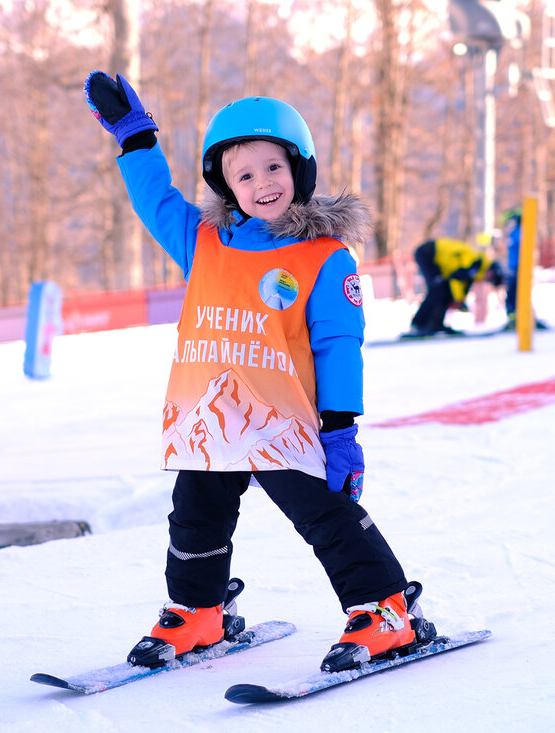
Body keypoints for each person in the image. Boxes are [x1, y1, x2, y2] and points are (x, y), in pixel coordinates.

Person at [84, 73, 435, 673]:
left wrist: (341, 429)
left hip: (285, 419)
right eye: (243, 175)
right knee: (194, 514)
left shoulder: (323, 255)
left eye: (273, 168)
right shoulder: (205, 241)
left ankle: (384, 609)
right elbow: (154, 201)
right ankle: (198, 610)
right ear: (226, 185)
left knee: (324, 515)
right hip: (207, 417)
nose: (261, 184)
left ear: (300, 169)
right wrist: (135, 138)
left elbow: (338, 344)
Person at [408, 237, 504, 337]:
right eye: (490, 278)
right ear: (491, 270)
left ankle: (436, 323)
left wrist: (460, 299)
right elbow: (457, 278)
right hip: (427, 253)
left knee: (444, 290)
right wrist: (458, 299)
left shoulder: (476, 270)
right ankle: (418, 324)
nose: (487, 279)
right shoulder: (475, 261)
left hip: (437, 261)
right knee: (437, 289)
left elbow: (463, 283)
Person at [500, 207, 549, 331]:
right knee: (512, 295)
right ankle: (514, 318)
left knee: (517, 295)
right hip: (514, 268)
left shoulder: (520, 232)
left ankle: (522, 318)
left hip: (520, 269)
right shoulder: (515, 232)